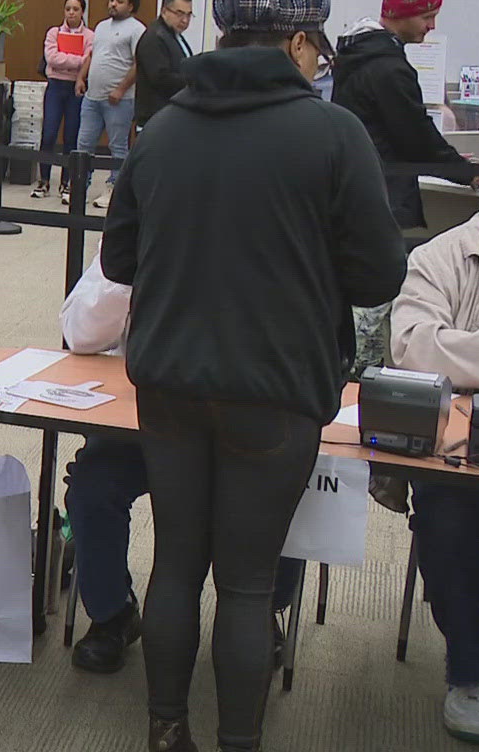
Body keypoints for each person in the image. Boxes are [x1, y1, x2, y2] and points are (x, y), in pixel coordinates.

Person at [103, 0, 405, 752]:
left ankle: (166, 731)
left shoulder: (164, 128)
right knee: (246, 583)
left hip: (168, 382)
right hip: (275, 391)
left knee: (174, 566)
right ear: (300, 43)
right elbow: (378, 275)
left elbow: (119, 258)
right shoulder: (334, 135)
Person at [60, 240, 303, 677]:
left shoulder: (273, 224)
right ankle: (112, 612)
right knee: (92, 486)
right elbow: (78, 333)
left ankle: (263, 609)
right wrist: (131, 273)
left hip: (249, 419)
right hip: (150, 419)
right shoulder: (147, 225)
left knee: (286, 483)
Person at [389, 201, 479, 742]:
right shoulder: (443, 256)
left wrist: (469, 357)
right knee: (447, 518)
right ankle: (473, 669)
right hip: (460, 445)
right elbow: (411, 348)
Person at [333, 0, 479, 233]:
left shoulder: (356, 56)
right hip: (384, 200)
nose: (432, 26)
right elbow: (415, 136)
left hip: (357, 193)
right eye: (427, 16)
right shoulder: (388, 68)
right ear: (402, 13)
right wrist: (467, 172)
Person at [75, 0, 145, 209]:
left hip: (119, 100)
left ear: (131, 5)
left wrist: (121, 89)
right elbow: (93, 55)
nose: (113, 4)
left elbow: (138, 63)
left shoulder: (136, 29)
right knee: (83, 144)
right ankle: (79, 188)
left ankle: (114, 189)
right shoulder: (102, 27)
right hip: (92, 98)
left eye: (119, 1)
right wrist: (80, 78)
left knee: (118, 147)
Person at [33, 0, 89, 199]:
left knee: (71, 137)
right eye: (68, 9)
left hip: (77, 88)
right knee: (48, 134)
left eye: (75, 9)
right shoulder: (54, 33)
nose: (71, 13)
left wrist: (68, 61)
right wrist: (77, 60)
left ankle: (66, 182)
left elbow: (88, 62)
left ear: (82, 11)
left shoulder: (90, 36)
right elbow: (52, 59)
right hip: (55, 87)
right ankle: (44, 180)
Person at [134, 0, 195, 128]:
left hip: (171, 115)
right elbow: (160, 79)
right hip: (156, 118)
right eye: (179, 13)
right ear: (164, 11)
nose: (185, 20)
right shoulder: (155, 37)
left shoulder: (173, 35)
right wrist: (194, 80)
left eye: (189, 15)